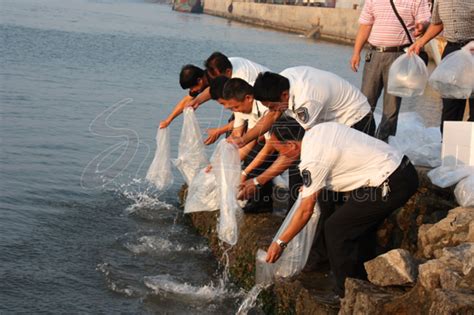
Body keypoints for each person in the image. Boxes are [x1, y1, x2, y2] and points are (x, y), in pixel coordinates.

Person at [265, 120, 419, 299]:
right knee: (357, 225)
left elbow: (305, 211)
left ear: (291, 145)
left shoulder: (312, 159)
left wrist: (280, 243)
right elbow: (336, 161)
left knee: (335, 228)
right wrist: (310, 187)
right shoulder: (319, 130)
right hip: (402, 170)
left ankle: (345, 292)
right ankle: (362, 278)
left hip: (391, 182)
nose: (280, 155)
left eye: (279, 151)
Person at [232, 68, 374, 206]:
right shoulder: (282, 80)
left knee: (330, 173)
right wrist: (244, 139)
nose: (272, 110)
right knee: (312, 174)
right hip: (329, 119)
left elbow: (303, 150)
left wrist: (257, 182)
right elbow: (272, 115)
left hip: (355, 119)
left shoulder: (306, 102)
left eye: (273, 106)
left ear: (285, 96)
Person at [350, 0, 431, 141]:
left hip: (400, 55)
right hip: (374, 54)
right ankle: (360, 137)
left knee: (392, 104)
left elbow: (425, 21)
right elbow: (365, 26)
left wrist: (422, 26)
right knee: (366, 100)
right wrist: (356, 52)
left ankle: (383, 140)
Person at [408, 0, 474, 132]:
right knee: (450, 105)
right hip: (452, 51)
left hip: (472, 49)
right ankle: (448, 146)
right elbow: (437, 23)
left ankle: (470, 146)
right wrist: (421, 42)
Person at [159, 64, 209, 129]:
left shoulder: (216, 77)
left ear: (199, 80)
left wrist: (196, 102)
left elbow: (210, 92)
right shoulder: (199, 84)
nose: (192, 90)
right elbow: (186, 101)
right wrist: (168, 120)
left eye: (191, 88)